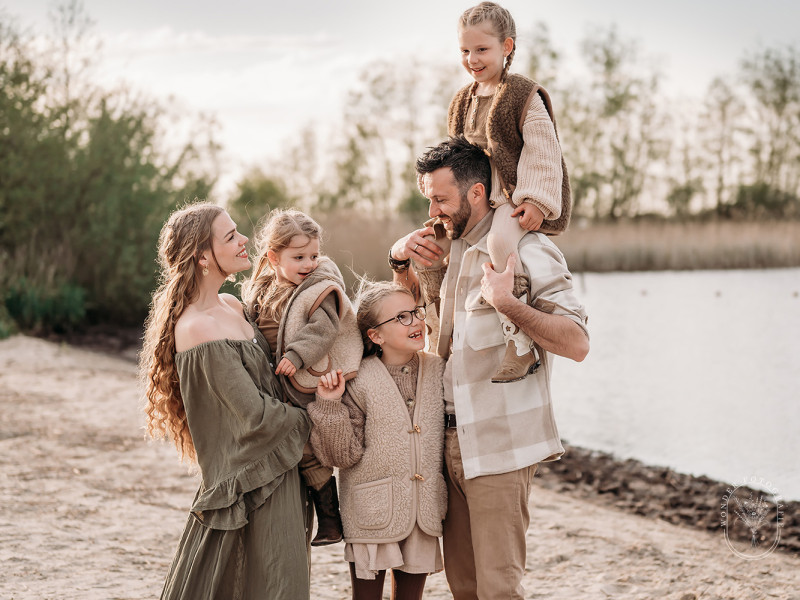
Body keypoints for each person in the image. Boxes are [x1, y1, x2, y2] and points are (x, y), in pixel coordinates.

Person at [389, 136, 589, 600]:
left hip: (500, 448)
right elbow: (412, 329)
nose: (433, 210)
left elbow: (576, 343)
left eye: (441, 199)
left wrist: (506, 302)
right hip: (447, 444)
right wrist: (401, 263)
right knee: (464, 587)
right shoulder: (447, 254)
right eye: (429, 199)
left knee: (498, 590)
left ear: (476, 192)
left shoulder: (526, 251)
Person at [139, 202, 312, 599]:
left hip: (278, 465)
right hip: (248, 480)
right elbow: (252, 416)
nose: (244, 239)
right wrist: (317, 417)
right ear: (203, 256)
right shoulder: (198, 328)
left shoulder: (234, 306)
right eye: (230, 236)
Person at [416, 1, 572, 384]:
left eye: (482, 49)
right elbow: (454, 156)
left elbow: (543, 151)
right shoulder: (463, 99)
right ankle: (438, 336)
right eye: (465, 51)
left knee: (502, 243)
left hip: (511, 196)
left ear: (507, 47)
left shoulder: (522, 95)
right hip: (475, 196)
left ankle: (519, 342)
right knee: (434, 244)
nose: (472, 59)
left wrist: (536, 201)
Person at [307, 281, 447, 600]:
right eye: (402, 318)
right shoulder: (358, 378)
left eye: (416, 312)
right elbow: (342, 456)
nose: (416, 322)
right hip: (371, 512)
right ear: (375, 336)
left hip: (422, 512)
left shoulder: (439, 370)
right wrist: (329, 404)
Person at [241, 208, 362, 546]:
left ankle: (330, 519)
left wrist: (296, 355)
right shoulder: (259, 290)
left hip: (299, 383)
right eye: (299, 257)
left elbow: (323, 329)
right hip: (269, 384)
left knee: (307, 448)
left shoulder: (317, 289)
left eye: (313, 255)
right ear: (273, 257)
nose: (309, 263)